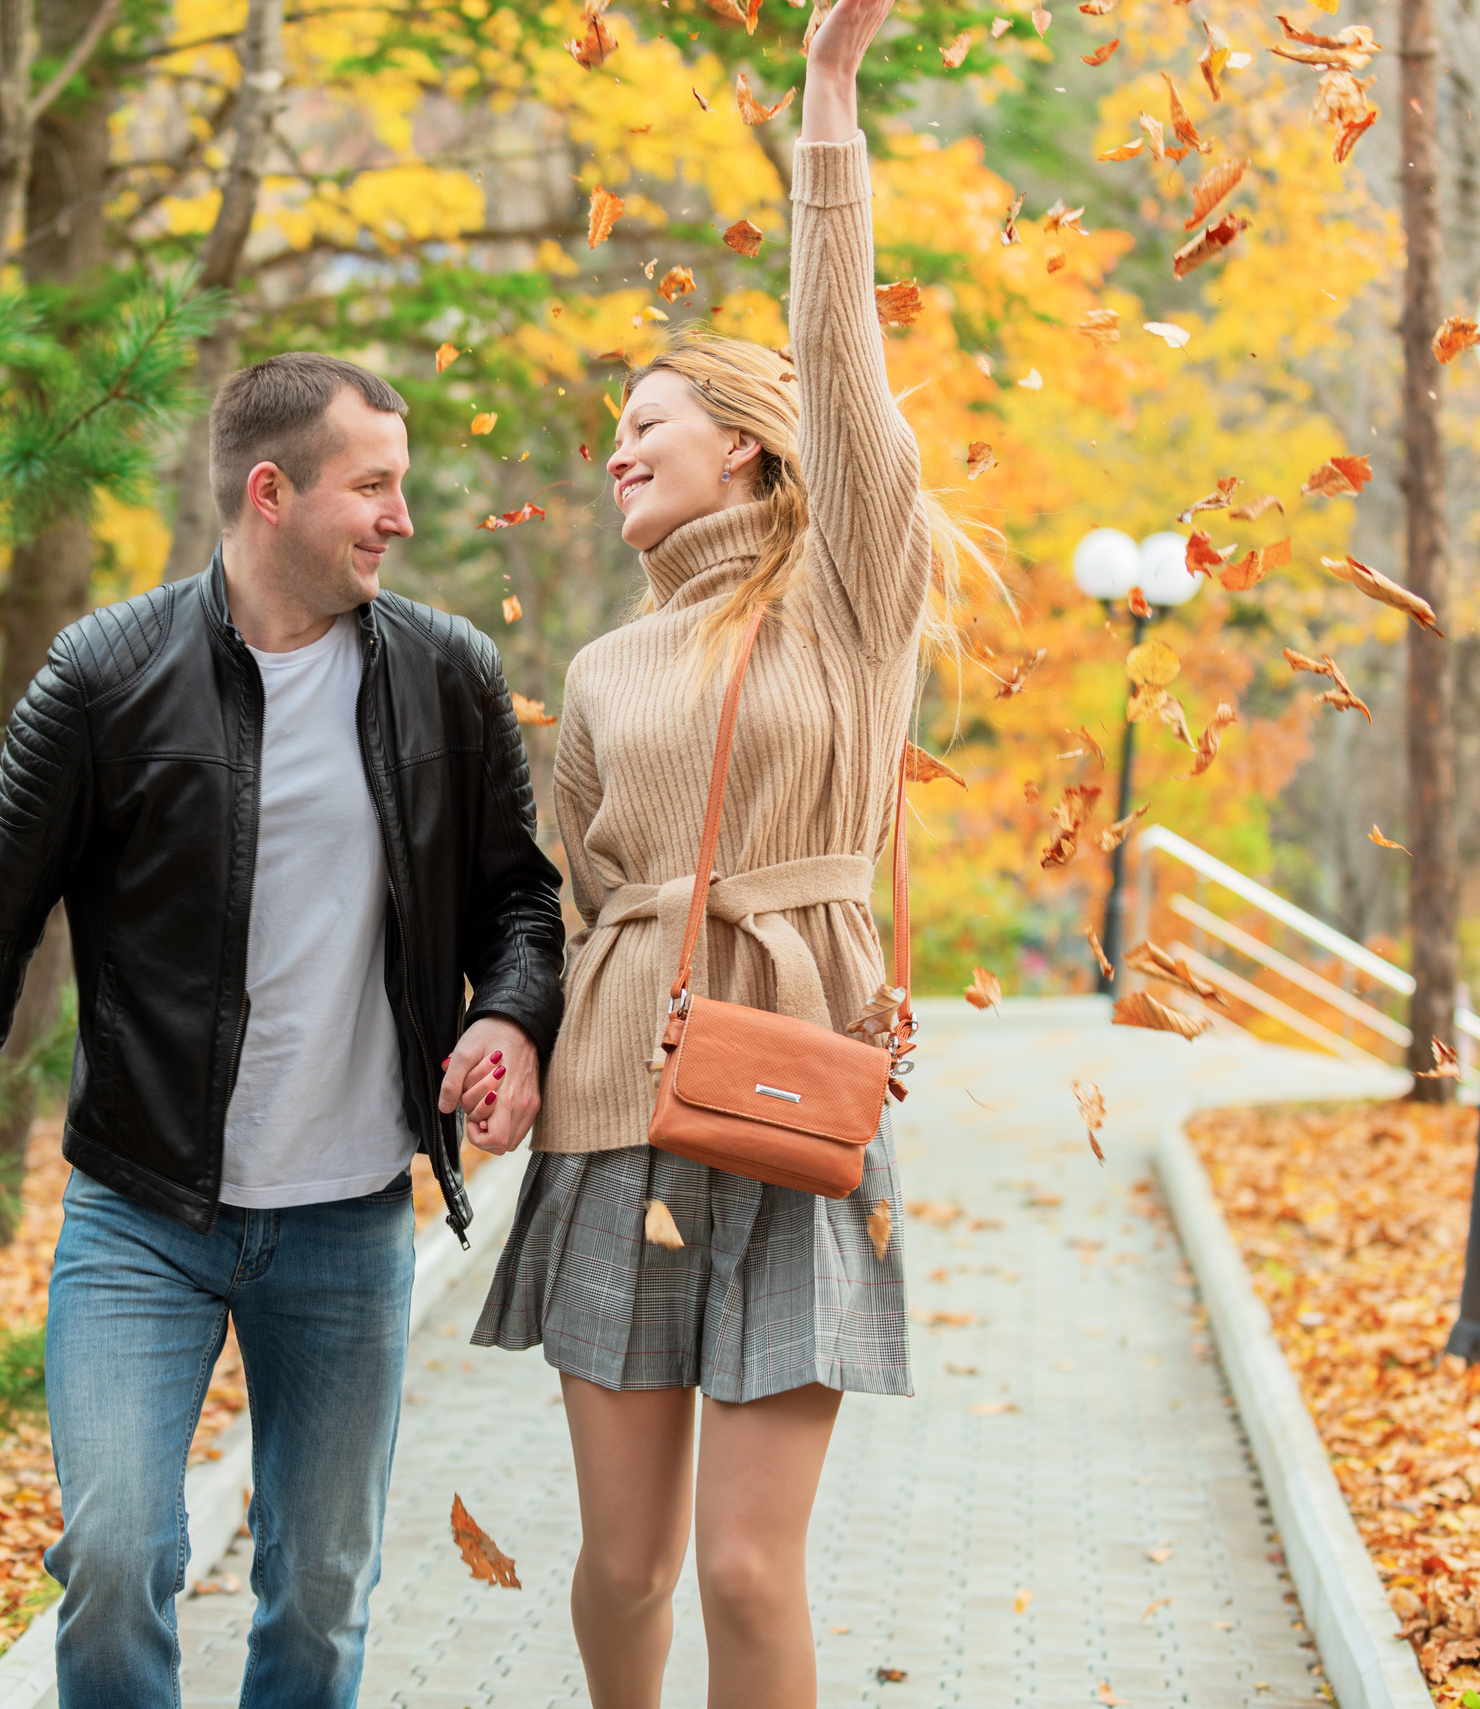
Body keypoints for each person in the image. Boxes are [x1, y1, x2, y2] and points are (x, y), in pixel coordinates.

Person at [0, 351, 564, 1709]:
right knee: (115, 1559)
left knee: (323, 1586)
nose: (402, 517)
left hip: (349, 1223)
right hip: (140, 1214)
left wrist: (515, 1015)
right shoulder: (105, 675)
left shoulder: (447, 676)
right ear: (271, 490)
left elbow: (517, 898)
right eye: (375, 486)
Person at [466, 4, 998, 1704]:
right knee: (624, 1566)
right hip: (618, 1116)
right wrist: (513, 1039)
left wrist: (825, 113)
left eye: (649, 423)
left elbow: (849, 378)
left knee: (747, 1567)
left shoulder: (847, 600)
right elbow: (567, 893)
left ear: (748, 448)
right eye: (613, 432)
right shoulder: (605, 668)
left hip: (794, 1103)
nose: (616, 449)